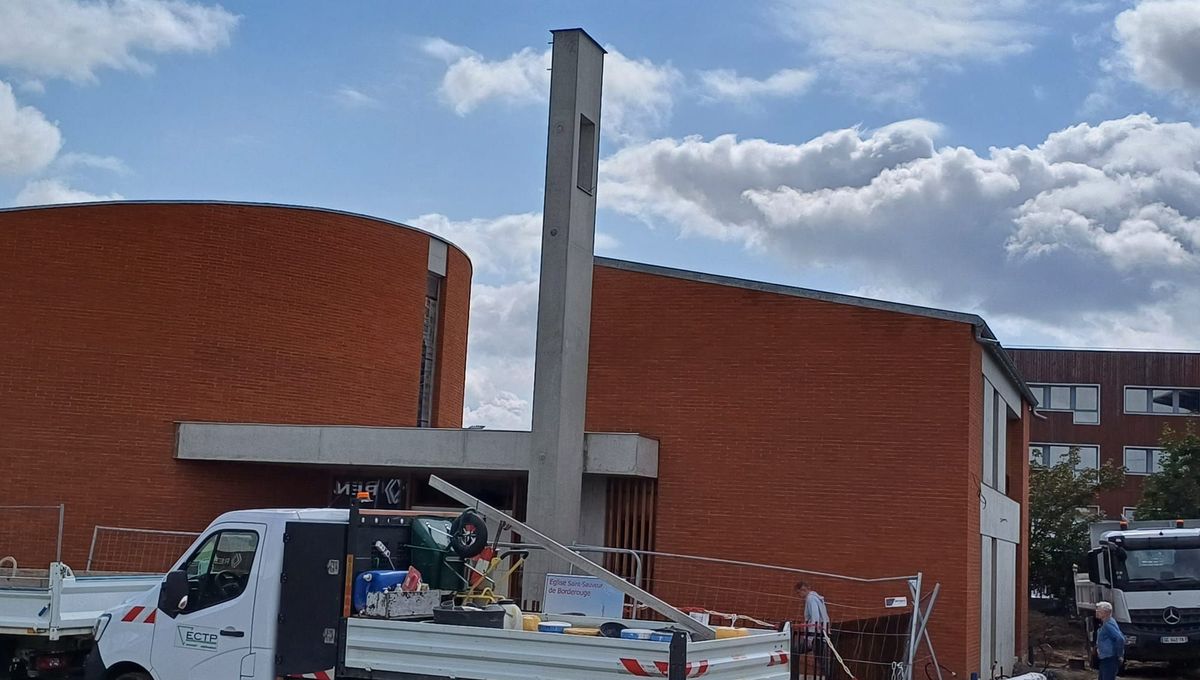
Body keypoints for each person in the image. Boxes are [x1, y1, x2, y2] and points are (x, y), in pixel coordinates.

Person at [796, 581, 832, 677]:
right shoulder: (816, 598)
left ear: (803, 590)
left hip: (816, 635)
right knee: (823, 661)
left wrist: (809, 638)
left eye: (799, 593)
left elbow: (814, 618)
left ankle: (793, 675)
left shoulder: (811, 599)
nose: (799, 596)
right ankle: (829, 676)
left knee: (795, 650)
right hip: (821, 634)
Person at [1095, 601, 1125, 680]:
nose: (1096, 612)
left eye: (1099, 610)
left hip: (1109, 658)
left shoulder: (1108, 625)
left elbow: (1120, 638)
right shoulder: (1108, 622)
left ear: (1106, 612)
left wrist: (1119, 655)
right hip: (1105, 658)